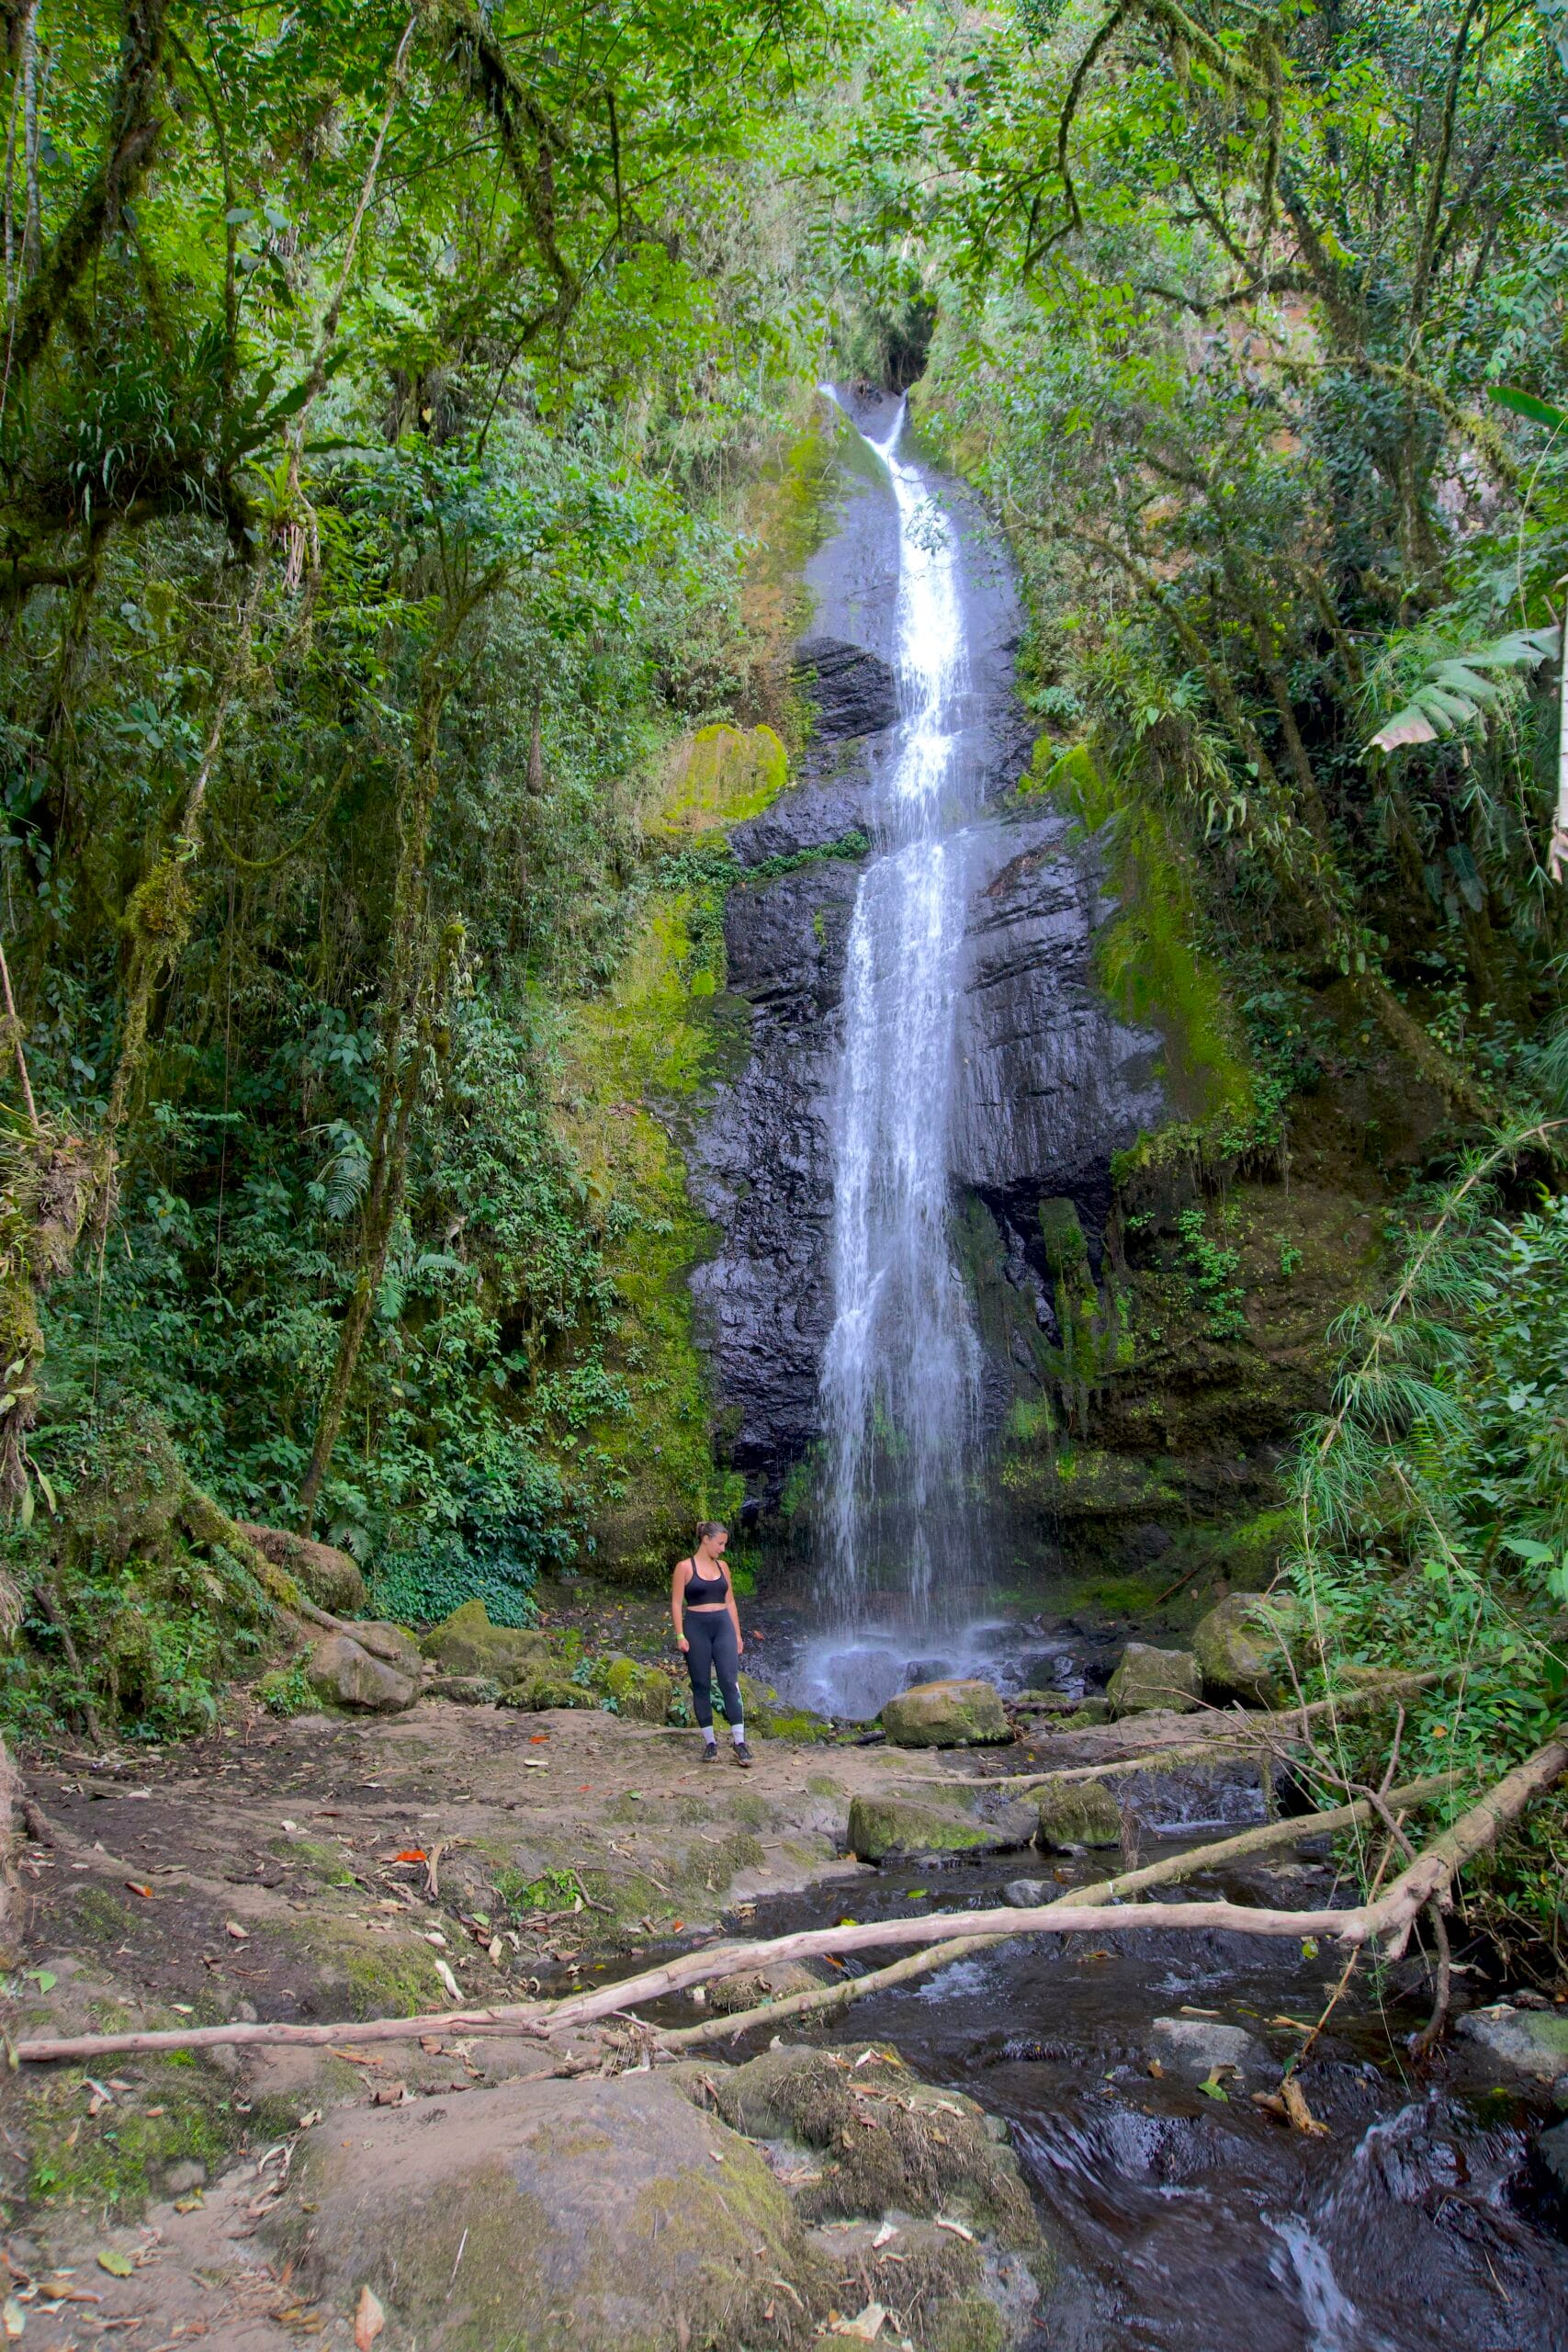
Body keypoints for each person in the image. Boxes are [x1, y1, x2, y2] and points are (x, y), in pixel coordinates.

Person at [671, 1521, 751, 1766]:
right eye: (720, 1544)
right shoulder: (684, 1567)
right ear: (705, 1539)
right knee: (701, 1684)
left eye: (724, 1544)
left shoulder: (723, 1568)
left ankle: (740, 1742)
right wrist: (680, 1635)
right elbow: (676, 1604)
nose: (723, 1549)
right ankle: (710, 1743)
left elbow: (731, 1603)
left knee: (730, 1681)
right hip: (696, 1627)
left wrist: (737, 1635)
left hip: (723, 1626)